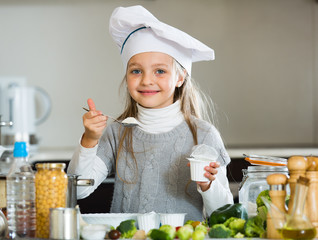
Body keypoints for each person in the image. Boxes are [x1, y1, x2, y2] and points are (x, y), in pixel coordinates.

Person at [68, 5, 233, 221]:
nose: (146, 80)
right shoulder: (117, 133)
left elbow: (225, 213)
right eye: (136, 71)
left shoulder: (204, 134)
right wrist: (90, 139)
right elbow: (79, 190)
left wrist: (208, 186)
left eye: (160, 71)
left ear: (180, 78)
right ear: (126, 77)